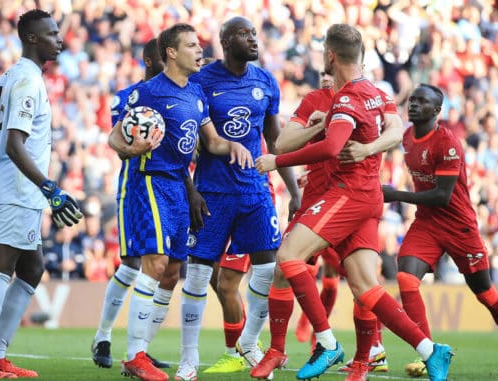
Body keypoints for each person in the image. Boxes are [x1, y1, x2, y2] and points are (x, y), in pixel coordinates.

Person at [255, 24, 453, 381]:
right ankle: (430, 349)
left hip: (346, 194)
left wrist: (277, 163)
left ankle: (329, 344)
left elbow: (328, 147)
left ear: (331, 56)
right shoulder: (373, 95)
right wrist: (326, 125)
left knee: (287, 258)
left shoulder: (347, 99)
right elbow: (390, 128)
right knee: (365, 286)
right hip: (358, 196)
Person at [107, 23, 252, 381]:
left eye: (199, 45)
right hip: (150, 182)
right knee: (154, 265)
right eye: (191, 45)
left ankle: (141, 350)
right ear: (171, 52)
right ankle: (134, 354)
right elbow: (114, 137)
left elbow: (211, 142)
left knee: (172, 272)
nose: (199, 51)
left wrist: (231, 145)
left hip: (177, 187)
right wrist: (132, 148)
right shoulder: (149, 92)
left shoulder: (196, 94)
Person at [0, 9, 83, 379]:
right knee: (1, 269)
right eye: (52, 34)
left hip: (8, 187)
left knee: (32, 266)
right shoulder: (28, 81)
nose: (59, 39)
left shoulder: (9, 76)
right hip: (17, 190)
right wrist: (50, 188)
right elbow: (13, 143)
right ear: (32, 38)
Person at [252, 66, 396, 379]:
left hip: (349, 198)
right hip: (316, 197)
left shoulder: (368, 98)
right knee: (284, 268)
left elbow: (394, 132)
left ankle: (367, 353)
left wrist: (365, 146)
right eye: (322, 73)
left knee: (360, 282)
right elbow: (285, 141)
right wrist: (321, 126)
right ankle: (278, 349)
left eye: (331, 71)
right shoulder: (313, 100)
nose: (326, 77)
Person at [176, 16, 301, 380]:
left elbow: (276, 143)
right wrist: (191, 190)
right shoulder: (201, 81)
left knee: (268, 266)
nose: (253, 38)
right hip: (213, 193)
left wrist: (293, 190)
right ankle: (189, 359)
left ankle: (249, 341)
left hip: (256, 191)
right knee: (199, 276)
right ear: (227, 41)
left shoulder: (265, 81)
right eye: (244, 34)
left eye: (254, 33)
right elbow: (187, 144)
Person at [381, 84, 498, 377]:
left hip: (458, 225)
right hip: (426, 223)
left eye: (422, 102)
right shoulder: (407, 138)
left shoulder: (448, 144)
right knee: (406, 279)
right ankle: (428, 354)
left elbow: (442, 196)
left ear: (437, 111)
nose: (413, 105)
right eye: (412, 100)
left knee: (485, 294)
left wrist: (396, 194)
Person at [90, 38, 170, 371]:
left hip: (169, 189)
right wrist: (135, 146)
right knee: (132, 262)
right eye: (164, 58)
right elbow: (120, 145)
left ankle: (140, 347)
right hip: (134, 186)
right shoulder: (126, 99)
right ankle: (103, 336)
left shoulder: (176, 93)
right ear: (151, 60)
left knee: (164, 266)